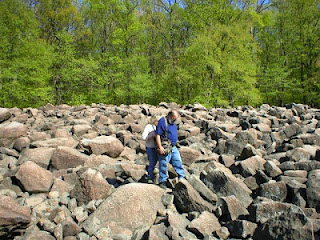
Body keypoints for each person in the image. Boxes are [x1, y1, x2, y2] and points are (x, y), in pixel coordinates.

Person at [155, 110, 185, 188]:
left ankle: (182, 177)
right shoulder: (162, 121)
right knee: (163, 164)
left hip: (173, 147)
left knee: (178, 161)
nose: (175, 120)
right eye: (174, 118)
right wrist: (160, 147)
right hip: (165, 146)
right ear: (170, 116)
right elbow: (157, 135)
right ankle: (163, 181)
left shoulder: (173, 122)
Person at [142, 115, 160, 183]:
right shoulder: (149, 126)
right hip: (150, 147)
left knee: (158, 162)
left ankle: (155, 176)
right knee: (152, 162)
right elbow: (144, 137)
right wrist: (151, 135)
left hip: (157, 147)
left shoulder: (159, 127)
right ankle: (150, 177)